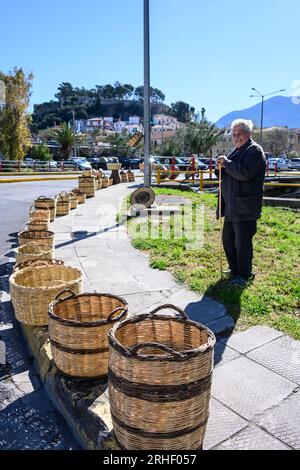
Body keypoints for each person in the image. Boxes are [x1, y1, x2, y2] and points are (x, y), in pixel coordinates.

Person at [216, 119, 266, 287]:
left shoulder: (254, 151)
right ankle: (235, 270)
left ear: (248, 134)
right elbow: (227, 174)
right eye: (234, 134)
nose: (236, 137)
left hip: (245, 208)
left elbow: (244, 173)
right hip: (232, 206)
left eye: (240, 134)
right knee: (228, 240)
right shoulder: (235, 152)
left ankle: (244, 275)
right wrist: (219, 168)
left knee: (242, 243)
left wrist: (227, 163)